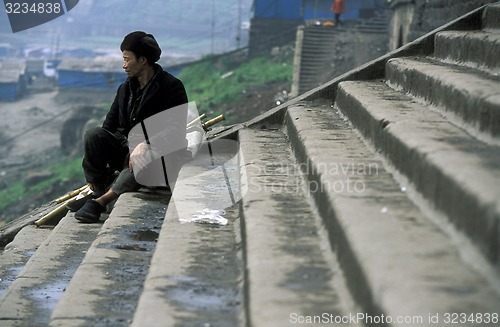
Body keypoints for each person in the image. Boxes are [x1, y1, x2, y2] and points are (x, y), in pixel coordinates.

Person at [73, 31, 189, 223]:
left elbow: (177, 131)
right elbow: (108, 127)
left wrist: (147, 143)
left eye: (127, 59)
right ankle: (99, 186)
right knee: (94, 135)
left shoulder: (171, 86)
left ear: (143, 60)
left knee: (145, 156)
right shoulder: (125, 89)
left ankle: (101, 201)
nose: (124, 65)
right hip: (128, 154)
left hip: (160, 156)